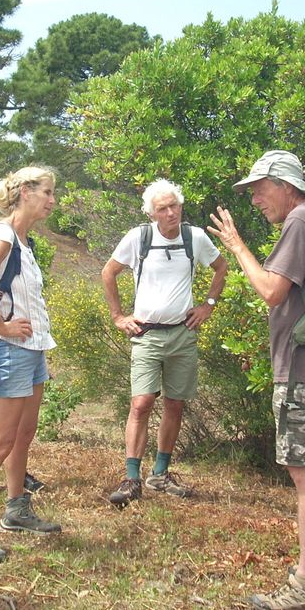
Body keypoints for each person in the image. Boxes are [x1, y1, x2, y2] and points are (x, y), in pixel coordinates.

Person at [208, 151, 305, 610]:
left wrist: (236, 245)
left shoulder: (302, 222)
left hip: (303, 369)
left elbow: (271, 291)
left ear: (285, 185)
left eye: (259, 190)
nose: (254, 200)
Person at [102, 179, 228, 506]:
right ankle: (132, 478)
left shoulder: (194, 237)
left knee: (175, 403)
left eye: (174, 205)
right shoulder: (138, 238)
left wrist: (208, 306)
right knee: (141, 403)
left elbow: (221, 267)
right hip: (147, 334)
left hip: (182, 334)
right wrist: (118, 316)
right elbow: (109, 272)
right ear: (152, 213)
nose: (171, 212)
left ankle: (159, 473)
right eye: (163, 208)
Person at [0, 166, 60, 564]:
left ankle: (16, 509)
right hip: (12, 351)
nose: (52, 201)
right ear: (25, 191)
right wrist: (1, 327)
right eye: (47, 193)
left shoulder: (24, 240)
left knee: (24, 434)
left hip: (33, 349)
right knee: (0, 442)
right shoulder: (3, 235)